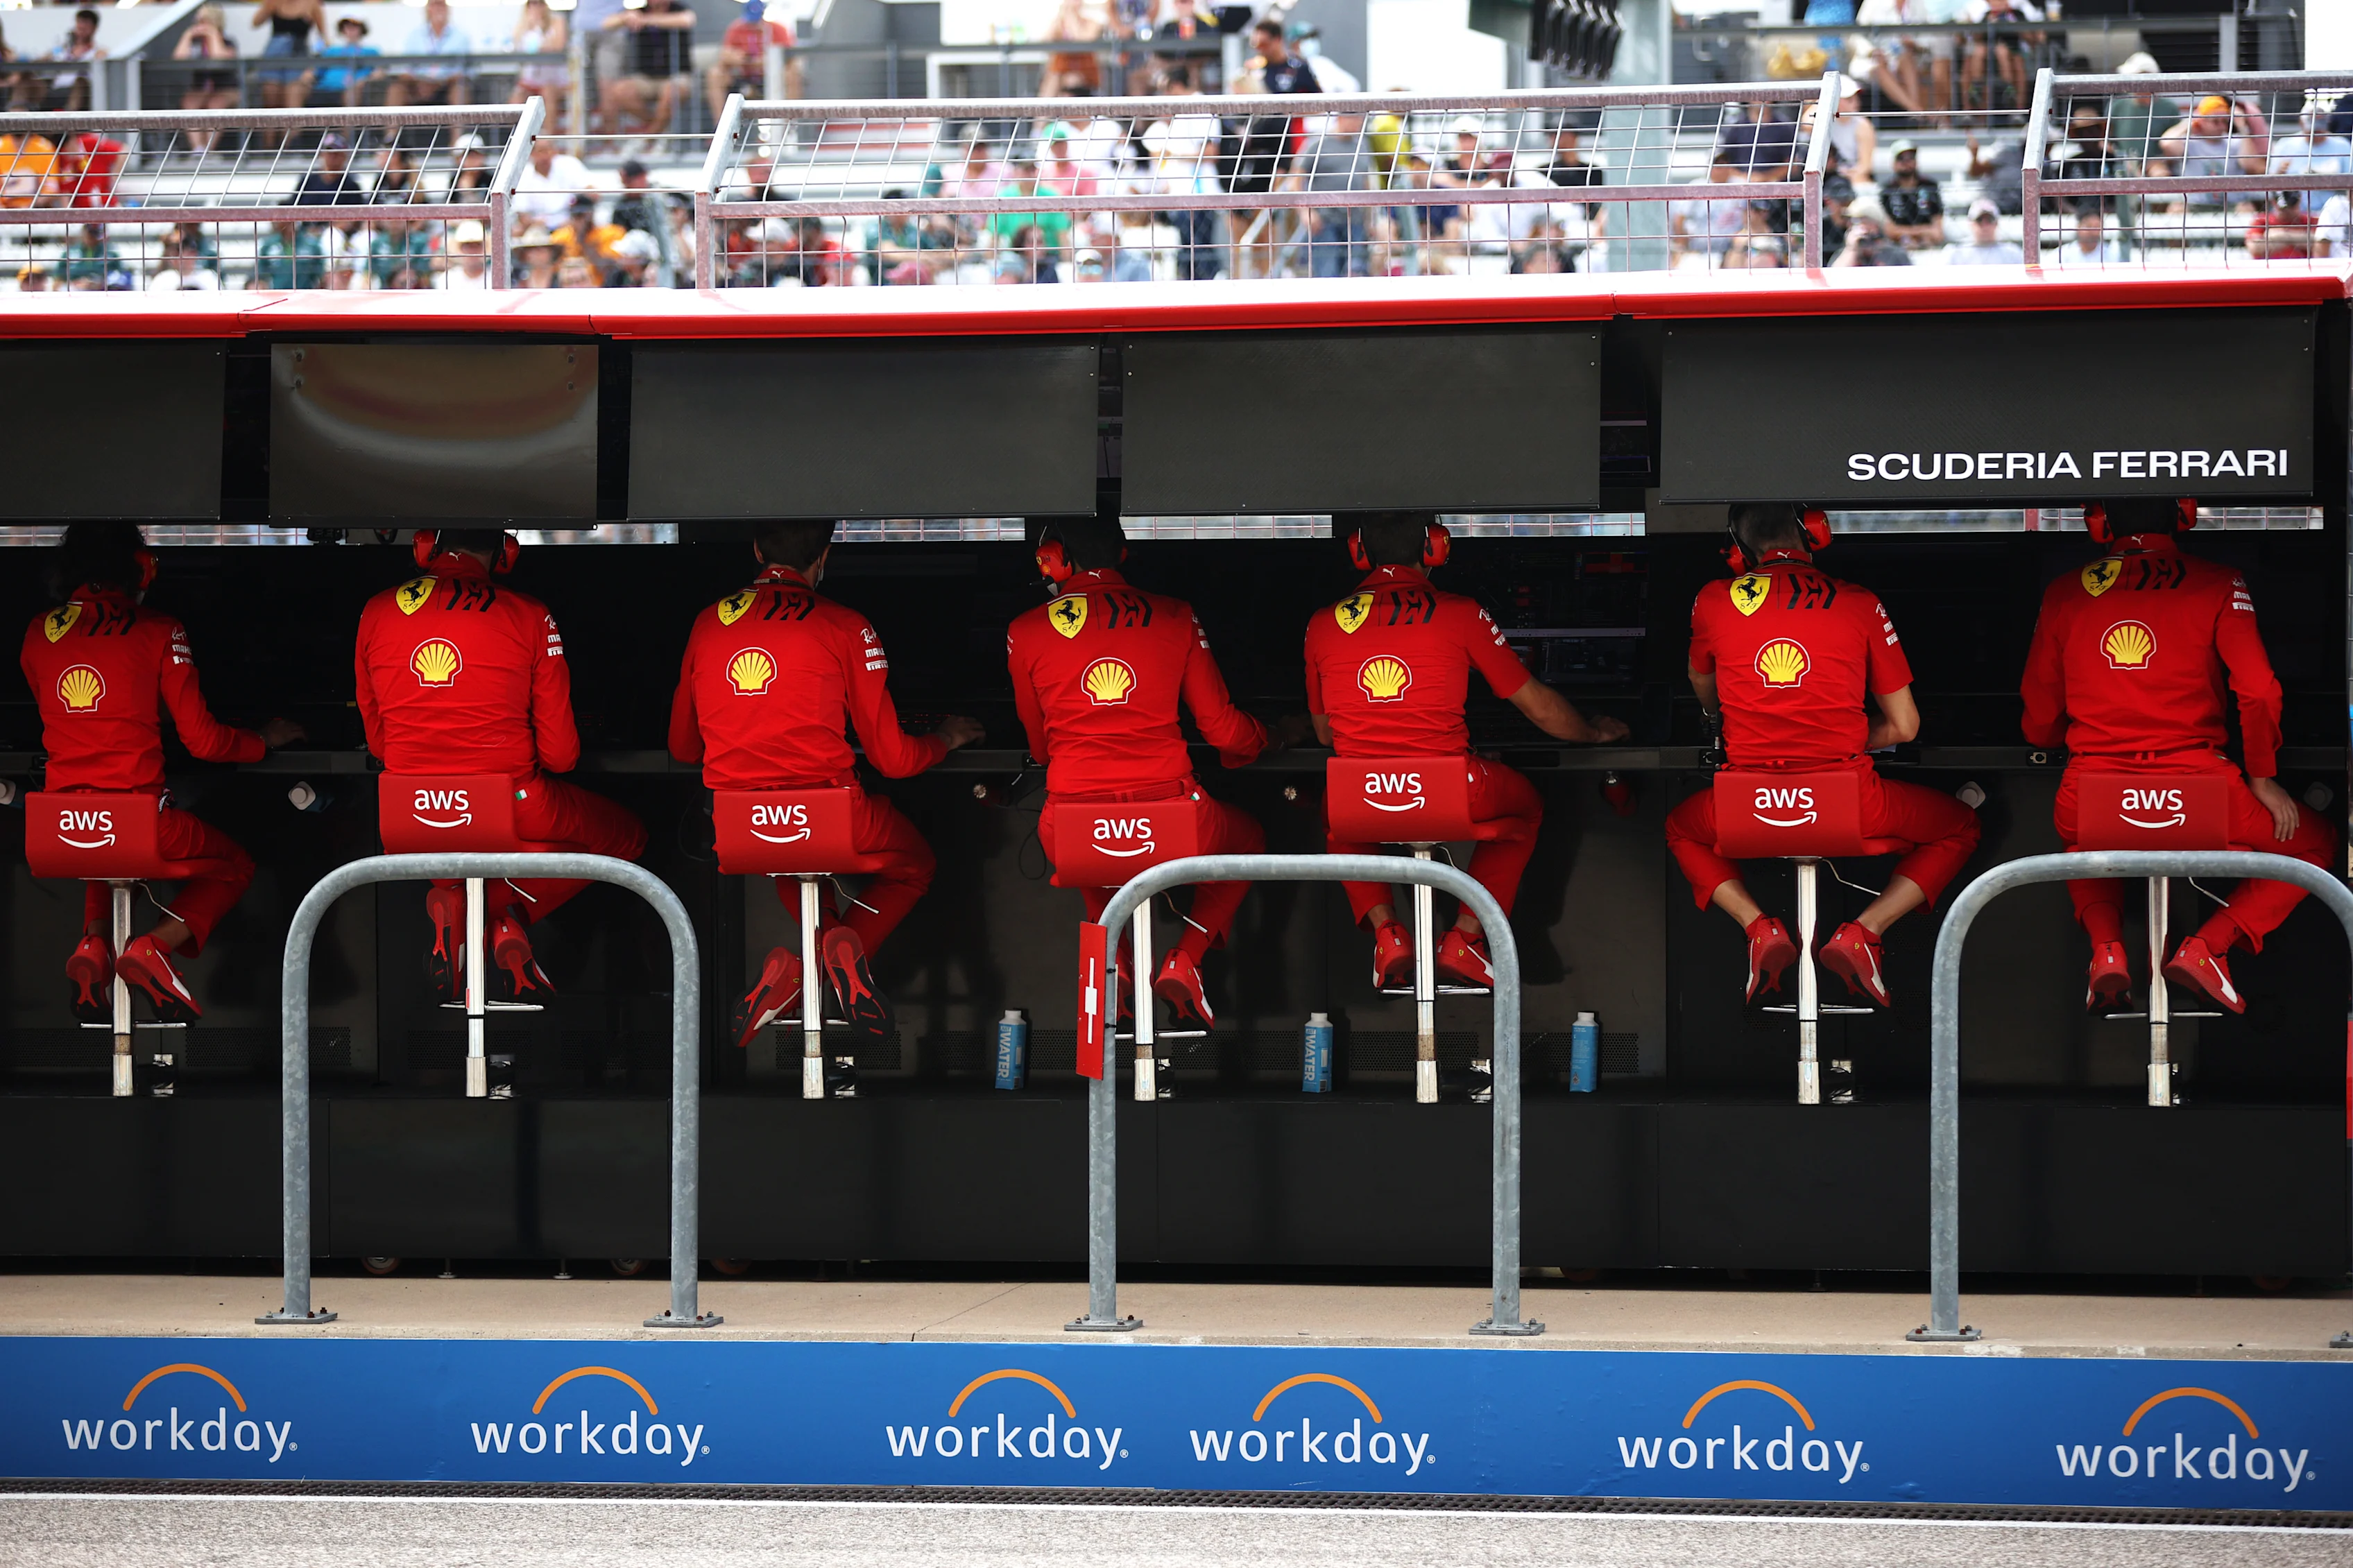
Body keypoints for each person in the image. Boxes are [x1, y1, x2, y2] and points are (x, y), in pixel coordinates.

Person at [671, 521, 982, 1050]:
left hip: (740, 826)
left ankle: (798, 977)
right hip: (832, 818)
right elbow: (895, 758)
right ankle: (829, 960)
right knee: (916, 866)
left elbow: (683, 748)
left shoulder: (707, 623)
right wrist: (945, 738)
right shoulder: (846, 625)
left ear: (755, 549)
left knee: (785, 851)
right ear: (825, 558)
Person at [2021, 497, 2334, 1014]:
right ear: (2185, 517)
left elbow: (2038, 718)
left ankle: (2105, 950)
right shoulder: (2221, 582)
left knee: (2081, 839)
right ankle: (2208, 947)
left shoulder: (2064, 590)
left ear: (2098, 522)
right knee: (2315, 845)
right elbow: (2259, 691)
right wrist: (2262, 774)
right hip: (2202, 793)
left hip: (2094, 793)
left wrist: (2061, 734)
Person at [1665, 505, 1980, 1006]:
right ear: (1816, 534)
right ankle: (1865, 931)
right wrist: (1844, 736)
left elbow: (1702, 683)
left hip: (1748, 809)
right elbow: (1905, 725)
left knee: (1681, 828)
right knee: (1960, 826)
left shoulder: (1713, 599)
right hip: (1849, 808)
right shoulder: (1860, 602)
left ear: (1738, 551)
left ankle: (1760, 928)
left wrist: (1722, 722)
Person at [1306, 512, 1628, 990]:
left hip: (1365, 795)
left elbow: (1326, 735)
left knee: (1340, 819)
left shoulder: (1321, 623)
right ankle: (1464, 939)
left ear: (1360, 551)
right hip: (1449, 793)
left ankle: (1388, 934)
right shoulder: (1460, 612)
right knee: (1528, 811)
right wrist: (1591, 733)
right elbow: (1538, 707)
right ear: (1436, 547)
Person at [20, 524, 304, 1023]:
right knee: (236, 865)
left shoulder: (37, 631)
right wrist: (265, 741)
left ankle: (93, 944)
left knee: (100, 845)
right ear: (141, 567)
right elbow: (206, 742)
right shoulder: (160, 629)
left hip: (56, 828)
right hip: (143, 826)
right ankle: (152, 947)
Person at [353, 530, 647, 1001]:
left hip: (411, 812)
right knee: (628, 836)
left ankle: (462, 907)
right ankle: (508, 916)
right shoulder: (530, 614)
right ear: (505, 551)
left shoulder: (376, 610)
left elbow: (379, 742)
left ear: (425, 546)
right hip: (514, 806)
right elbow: (561, 756)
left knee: (454, 859)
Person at [1007, 517, 1269, 1028]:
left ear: (1053, 559)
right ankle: (1185, 959)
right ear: (1123, 554)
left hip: (1073, 828)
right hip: (1173, 822)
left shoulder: (1025, 629)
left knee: (1087, 853)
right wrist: (1269, 738)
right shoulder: (1176, 615)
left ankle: (1115, 965)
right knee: (1251, 838)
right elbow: (1223, 730)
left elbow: (1039, 746)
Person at [600, 0, 694, 138]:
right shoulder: (639, 11)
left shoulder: (679, 9)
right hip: (646, 77)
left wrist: (646, 21)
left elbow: (687, 20)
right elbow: (606, 24)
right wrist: (626, 18)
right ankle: (658, 132)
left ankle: (648, 139)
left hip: (677, 75)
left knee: (671, 92)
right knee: (620, 91)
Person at [707, 0, 795, 121]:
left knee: (792, 73)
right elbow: (725, 54)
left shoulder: (778, 29)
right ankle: (721, 124)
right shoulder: (737, 28)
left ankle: (788, 123)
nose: (753, 25)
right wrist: (738, 58)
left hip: (771, 78)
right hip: (744, 76)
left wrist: (765, 61)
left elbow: (789, 56)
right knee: (715, 74)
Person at [386, 0, 471, 110]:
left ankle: (460, 127)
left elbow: (464, 69)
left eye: (441, 4)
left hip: (447, 85)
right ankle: (391, 127)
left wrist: (440, 82)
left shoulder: (461, 36)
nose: (438, 8)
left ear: (447, 9)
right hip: (418, 84)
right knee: (396, 90)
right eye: (435, 4)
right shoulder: (415, 35)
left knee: (460, 90)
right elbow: (406, 67)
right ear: (428, 9)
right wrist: (420, 81)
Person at [173, 6, 239, 138]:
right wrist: (188, 35)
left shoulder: (228, 42)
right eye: (198, 22)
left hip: (227, 89)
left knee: (215, 105)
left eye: (204, 21)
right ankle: (198, 150)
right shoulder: (196, 43)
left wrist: (213, 35)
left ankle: (208, 151)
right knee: (190, 103)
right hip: (201, 89)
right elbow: (179, 57)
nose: (200, 26)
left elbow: (219, 57)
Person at [248, 0, 319, 119]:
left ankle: (291, 138)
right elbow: (255, 23)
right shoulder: (273, 3)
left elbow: (323, 38)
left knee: (293, 107)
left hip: (298, 58)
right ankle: (270, 138)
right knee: (270, 106)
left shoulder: (312, 4)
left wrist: (312, 67)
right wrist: (268, 7)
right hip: (274, 57)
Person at [1878, 139, 1945, 248]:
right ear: (1894, 163)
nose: (1907, 162)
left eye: (1911, 157)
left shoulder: (1930, 186)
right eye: (1901, 158)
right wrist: (1922, 231)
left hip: (1928, 243)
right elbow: (1889, 231)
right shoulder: (1887, 190)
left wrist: (1908, 232)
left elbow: (1938, 231)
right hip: (1899, 244)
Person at [511, 0, 568, 121]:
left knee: (548, 94)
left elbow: (558, 46)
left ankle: (547, 137)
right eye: (532, 4)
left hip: (554, 78)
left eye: (539, 3)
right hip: (531, 78)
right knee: (517, 97)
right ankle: (518, 136)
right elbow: (517, 46)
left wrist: (541, 28)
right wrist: (529, 25)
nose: (536, 7)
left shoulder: (557, 21)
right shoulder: (524, 24)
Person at [46, 8, 105, 114]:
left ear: (94, 29)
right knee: (28, 82)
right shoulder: (63, 49)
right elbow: (43, 60)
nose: (82, 28)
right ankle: (18, 123)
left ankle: (68, 123)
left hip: (80, 90)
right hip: (56, 89)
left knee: (80, 82)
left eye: (86, 24)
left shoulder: (98, 52)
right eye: (80, 23)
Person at [1944, 196, 2021, 264]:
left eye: (1990, 220)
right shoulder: (1955, 253)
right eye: (1979, 220)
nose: (1985, 226)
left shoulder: (2013, 254)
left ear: (1997, 223)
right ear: (1970, 223)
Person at [2049, 204, 2123, 266]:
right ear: (2078, 226)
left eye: (2096, 227)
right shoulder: (2062, 255)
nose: (2092, 232)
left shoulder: (2112, 255)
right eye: (2088, 226)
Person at [437, 218, 492, 288]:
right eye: (467, 246)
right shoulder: (447, 279)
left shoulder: (494, 280)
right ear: (460, 249)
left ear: (483, 249)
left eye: (476, 246)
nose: (472, 251)